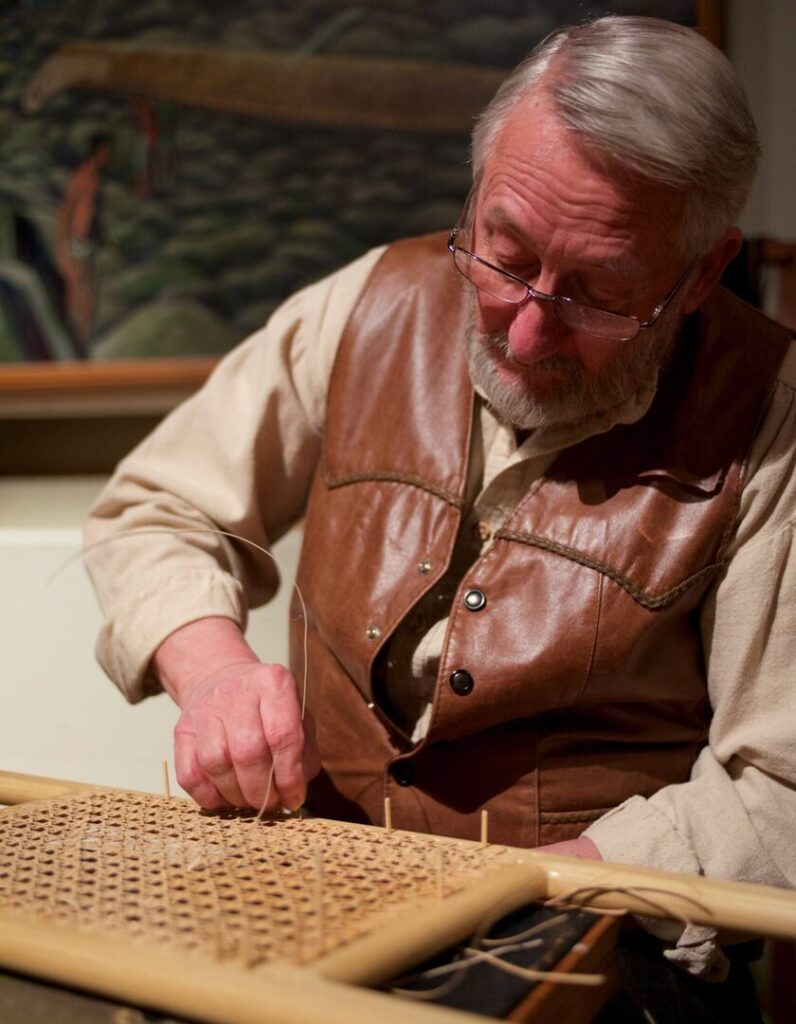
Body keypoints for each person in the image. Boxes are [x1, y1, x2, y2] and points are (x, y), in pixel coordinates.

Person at [85, 16, 795, 1018]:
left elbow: (782, 790)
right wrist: (216, 672)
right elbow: (155, 508)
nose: (528, 325)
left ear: (701, 270)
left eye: (597, 295)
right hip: (312, 911)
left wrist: (530, 888)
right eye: (503, 253)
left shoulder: (772, 415)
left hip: (602, 945)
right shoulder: (364, 304)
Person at [54, 132, 113, 348]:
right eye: (106, 151)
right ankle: (76, 337)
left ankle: (82, 337)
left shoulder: (95, 176)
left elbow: (94, 210)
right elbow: (67, 209)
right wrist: (63, 244)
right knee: (78, 288)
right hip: (79, 240)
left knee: (86, 289)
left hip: (89, 240)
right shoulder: (84, 176)